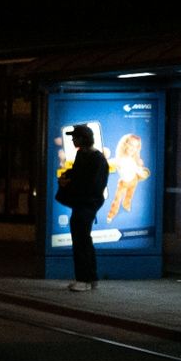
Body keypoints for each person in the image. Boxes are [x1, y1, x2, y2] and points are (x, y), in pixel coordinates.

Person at [57, 124, 109, 292]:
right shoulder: (82, 154)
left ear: (83, 138)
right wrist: (65, 176)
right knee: (83, 240)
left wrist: (70, 184)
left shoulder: (97, 159)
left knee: (81, 241)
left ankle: (84, 280)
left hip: (88, 203)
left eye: (76, 137)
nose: (73, 139)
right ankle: (91, 278)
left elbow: (93, 184)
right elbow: (76, 173)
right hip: (82, 202)